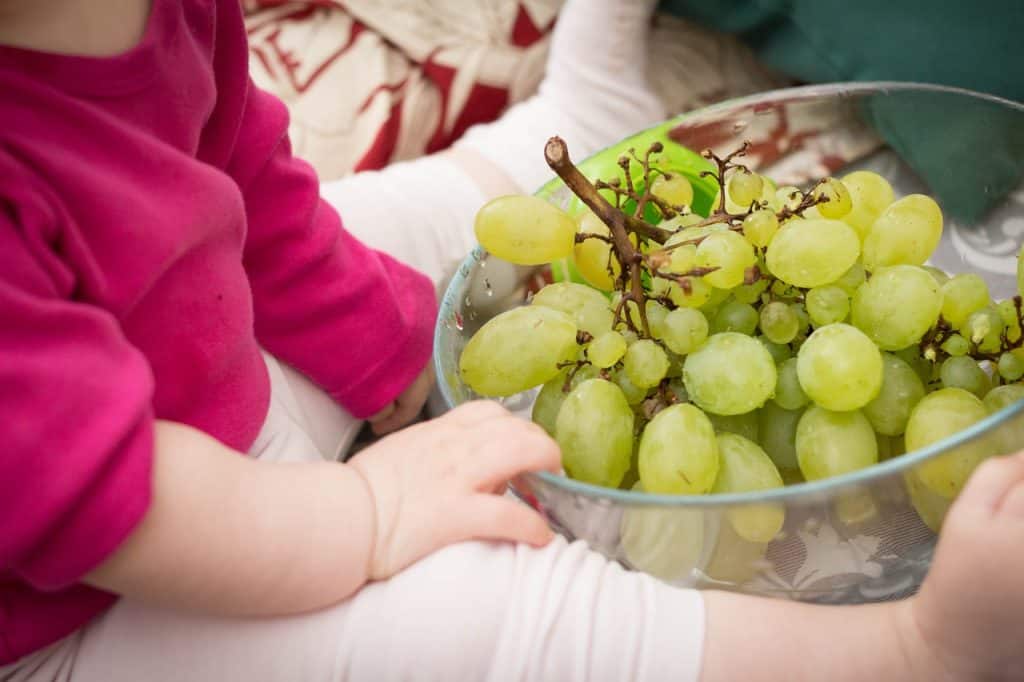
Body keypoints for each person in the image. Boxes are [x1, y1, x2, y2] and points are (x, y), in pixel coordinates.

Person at [0, 2, 1022, 682]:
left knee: (352, 228)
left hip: (177, 382)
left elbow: (243, 188)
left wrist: (383, 345)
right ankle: (912, 649)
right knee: (477, 615)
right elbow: (100, 492)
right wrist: (363, 510)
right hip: (87, 605)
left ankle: (568, 122)